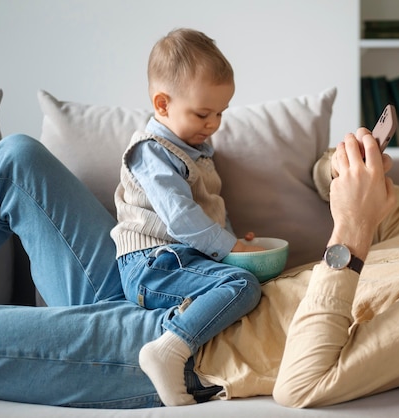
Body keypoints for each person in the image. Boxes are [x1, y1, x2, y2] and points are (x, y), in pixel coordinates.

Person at [0, 127, 399, 408]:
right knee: (19, 157)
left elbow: (304, 389)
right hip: (167, 274)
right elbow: (325, 176)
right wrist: (352, 160)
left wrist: (350, 235)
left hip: (188, 347)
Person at [110, 28, 265, 406]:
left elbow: (210, 213)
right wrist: (229, 249)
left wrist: (238, 247)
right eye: (202, 113)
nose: (213, 124)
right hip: (150, 264)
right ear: (162, 104)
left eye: (220, 113)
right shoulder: (151, 152)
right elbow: (181, 218)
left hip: (179, 260)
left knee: (255, 279)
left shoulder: (198, 152)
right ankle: (167, 351)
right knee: (242, 286)